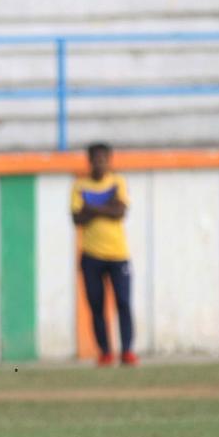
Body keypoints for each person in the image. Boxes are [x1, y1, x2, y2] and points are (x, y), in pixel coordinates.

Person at [72, 142, 137, 367]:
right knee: (96, 305)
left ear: (109, 160)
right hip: (91, 255)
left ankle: (127, 351)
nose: (99, 163)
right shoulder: (80, 185)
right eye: (95, 159)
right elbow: (77, 219)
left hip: (119, 255)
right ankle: (105, 352)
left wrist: (91, 207)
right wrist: (107, 206)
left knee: (124, 302)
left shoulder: (118, 182)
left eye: (103, 159)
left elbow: (120, 212)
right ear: (90, 161)